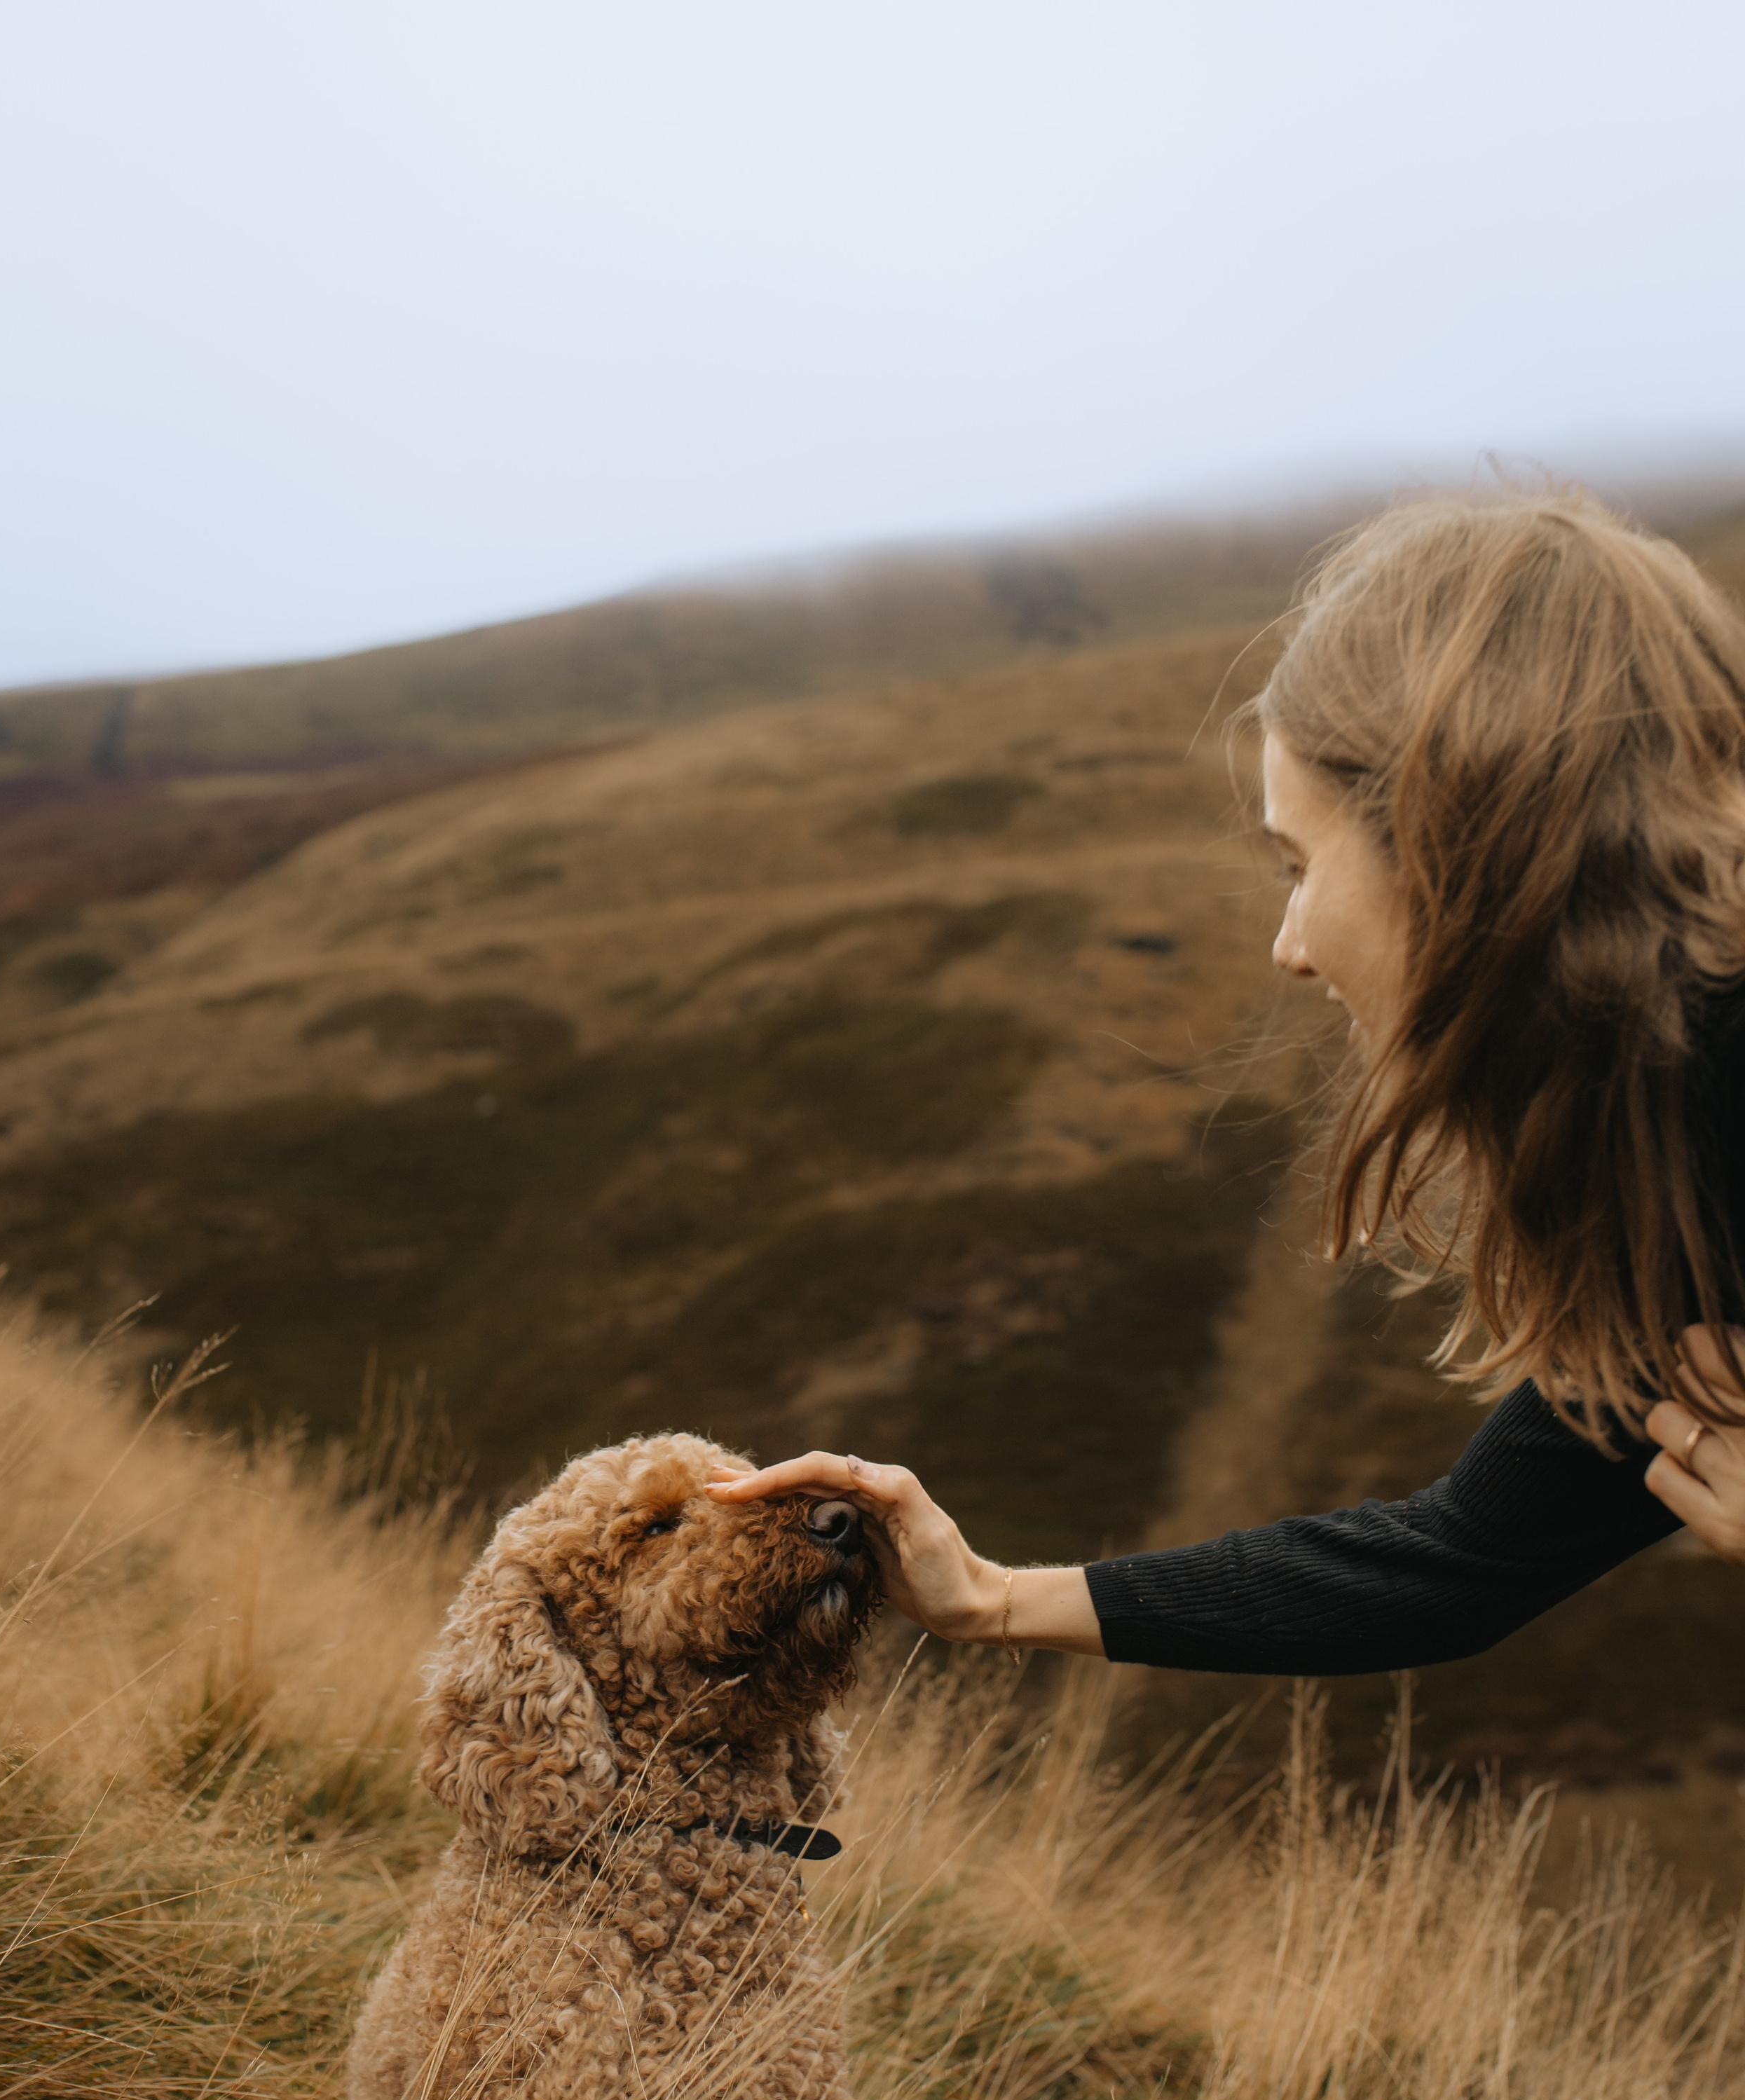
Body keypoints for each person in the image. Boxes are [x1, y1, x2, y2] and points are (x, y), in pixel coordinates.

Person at [710, 491, 1745, 1675]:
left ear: (1458, 843)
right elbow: (1462, 1558)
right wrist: (990, 1597)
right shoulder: (1666, 1129)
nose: (1289, 944)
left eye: (1302, 863)